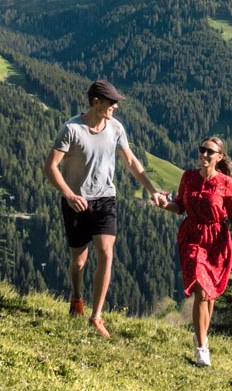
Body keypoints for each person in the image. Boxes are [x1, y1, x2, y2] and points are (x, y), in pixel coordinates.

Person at [44, 78, 164, 338]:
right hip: (76, 201)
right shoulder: (72, 129)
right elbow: (50, 167)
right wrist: (68, 194)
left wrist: (152, 189)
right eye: (112, 102)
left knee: (106, 253)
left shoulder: (116, 128)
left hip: (105, 199)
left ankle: (96, 316)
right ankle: (76, 296)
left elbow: (131, 161)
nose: (116, 107)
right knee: (79, 260)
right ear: (96, 102)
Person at [158, 136, 232, 367]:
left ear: (220, 157)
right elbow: (180, 207)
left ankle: (201, 334)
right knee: (201, 290)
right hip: (192, 237)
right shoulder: (189, 177)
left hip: (217, 241)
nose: (204, 155)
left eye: (209, 152)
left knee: (210, 292)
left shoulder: (226, 183)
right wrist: (166, 205)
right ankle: (201, 347)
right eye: (202, 150)